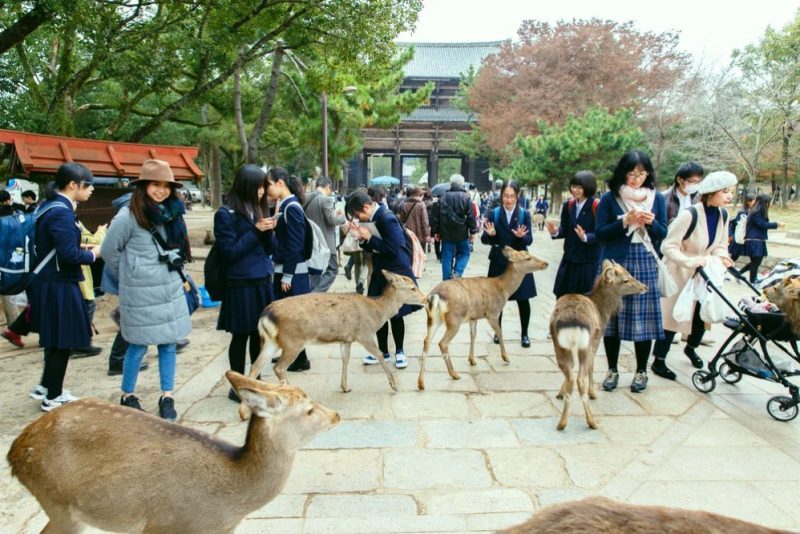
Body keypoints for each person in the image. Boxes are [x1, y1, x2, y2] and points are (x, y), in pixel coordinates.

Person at [101, 159, 192, 421]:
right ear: (143, 186)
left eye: (166, 186)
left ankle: (167, 395)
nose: (161, 190)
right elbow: (108, 251)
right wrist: (130, 275)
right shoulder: (128, 215)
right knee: (137, 346)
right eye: (155, 184)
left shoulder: (172, 213)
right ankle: (128, 394)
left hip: (169, 289)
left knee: (168, 345)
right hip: (140, 293)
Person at [650, 171, 737, 380]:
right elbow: (668, 246)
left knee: (701, 315)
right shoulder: (690, 214)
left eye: (731, 192)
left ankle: (691, 348)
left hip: (704, 272)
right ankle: (659, 360)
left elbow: (720, 244)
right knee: (673, 317)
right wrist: (689, 261)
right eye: (725, 191)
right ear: (710, 192)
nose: (730, 196)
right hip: (680, 270)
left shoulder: (723, 215)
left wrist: (723, 257)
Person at [28, 163, 99, 411]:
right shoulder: (62, 213)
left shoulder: (47, 206)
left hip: (47, 281)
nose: (91, 190)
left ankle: (46, 386)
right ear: (72, 185)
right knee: (63, 338)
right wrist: (94, 254)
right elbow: (68, 254)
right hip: (59, 284)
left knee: (54, 337)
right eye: (88, 185)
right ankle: (54, 396)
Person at [595, 150, 667, 393]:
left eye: (642, 174)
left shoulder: (656, 198)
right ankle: (612, 370)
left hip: (645, 260)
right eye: (632, 174)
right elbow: (600, 233)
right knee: (612, 318)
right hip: (616, 263)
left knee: (644, 320)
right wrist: (623, 222)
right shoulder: (609, 199)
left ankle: (641, 371)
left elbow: (663, 233)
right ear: (622, 173)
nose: (636, 179)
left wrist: (651, 223)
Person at [215, 165, 275, 400]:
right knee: (240, 335)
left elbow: (270, 249)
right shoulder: (225, 214)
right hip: (240, 283)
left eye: (263, 187)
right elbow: (229, 252)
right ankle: (238, 384)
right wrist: (256, 231)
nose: (261, 192)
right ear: (245, 186)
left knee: (258, 335)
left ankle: (255, 378)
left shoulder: (259, 209)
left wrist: (269, 231)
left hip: (262, 279)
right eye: (258, 187)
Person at [346, 190, 420, 368]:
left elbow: (393, 249)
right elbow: (373, 247)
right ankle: (383, 352)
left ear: (366, 207)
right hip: (380, 269)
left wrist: (370, 237)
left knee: (396, 314)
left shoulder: (387, 218)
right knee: (378, 313)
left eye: (358, 215)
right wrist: (362, 239)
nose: (359, 219)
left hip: (395, 271)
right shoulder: (373, 218)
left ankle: (400, 352)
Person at [266, 167, 312, 372]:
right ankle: (293, 355)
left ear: (280, 183)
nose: (266, 189)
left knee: (293, 318)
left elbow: (295, 244)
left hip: (292, 272)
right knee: (289, 317)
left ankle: (300, 359)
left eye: (268, 184)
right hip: (288, 270)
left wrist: (287, 275)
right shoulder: (285, 205)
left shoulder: (291, 207)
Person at [481, 180, 535, 347]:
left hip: (519, 264)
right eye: (505, 196)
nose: (509, 200)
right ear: (501, 196)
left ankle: (525, 334)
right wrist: (491, 235)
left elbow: (529, 240)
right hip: (499, 260)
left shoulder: (524, 214)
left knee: (523, 299)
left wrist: (521, 237)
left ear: (517, 196)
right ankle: (498, 332)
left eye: (512, 196)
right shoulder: (494, 213)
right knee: (497, 300)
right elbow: (484, 239)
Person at [547, 171, 601, 297]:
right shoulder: (569, 205)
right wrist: (555, 232)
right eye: (573, 186)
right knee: (562, 296)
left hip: (587, 262)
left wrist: (585, 237)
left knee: (584, 299)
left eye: (579, 187)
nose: (575, 190)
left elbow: (601, 234)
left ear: (588, 187)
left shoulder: (596, 206)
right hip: (569, 259)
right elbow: (565, 229)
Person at [69, 220, 107, 357]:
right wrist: (101, 231)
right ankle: (81, 343)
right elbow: (93, 240)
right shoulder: (72, 221)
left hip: (71, 272)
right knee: (87, 305)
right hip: (79, 271)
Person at [304, 176, 346, 292]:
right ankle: (316, 294)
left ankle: (312, 293)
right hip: (326, 242)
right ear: (327, 187)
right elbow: (332, 220)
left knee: (315, 271)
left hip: (312, 243)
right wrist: (342, 217)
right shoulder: (326, 200)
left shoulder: (307, 198)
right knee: (332, 270)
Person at [432, 173, 477, 280]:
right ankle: (457, 273)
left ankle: (447, 280)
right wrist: (473, 232)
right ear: (462, 184)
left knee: (446, 257)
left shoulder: (443, 197)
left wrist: (436, 231)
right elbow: (471, 216)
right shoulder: (466, 197)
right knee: (465, 253)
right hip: (462, 232)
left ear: (451, 184)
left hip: (446, 233)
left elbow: (436, 217)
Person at [735, 193, 785, 283]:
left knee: (755, 262)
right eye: (767, 202)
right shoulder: (756, 212)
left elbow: (762, 223)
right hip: (754, 240)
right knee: (756, 262)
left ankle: (740, 275)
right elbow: (762, 224)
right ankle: (752, 280)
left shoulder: (756, 211)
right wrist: (777, 224)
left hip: (757, 240)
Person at [728, 192, 755, 261]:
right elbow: (737, 224)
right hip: (739, 237)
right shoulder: (743, 212)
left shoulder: (754, 212)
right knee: (733, 257)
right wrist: (731, 235)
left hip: (745, 238)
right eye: (754, 201)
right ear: (748, 202)